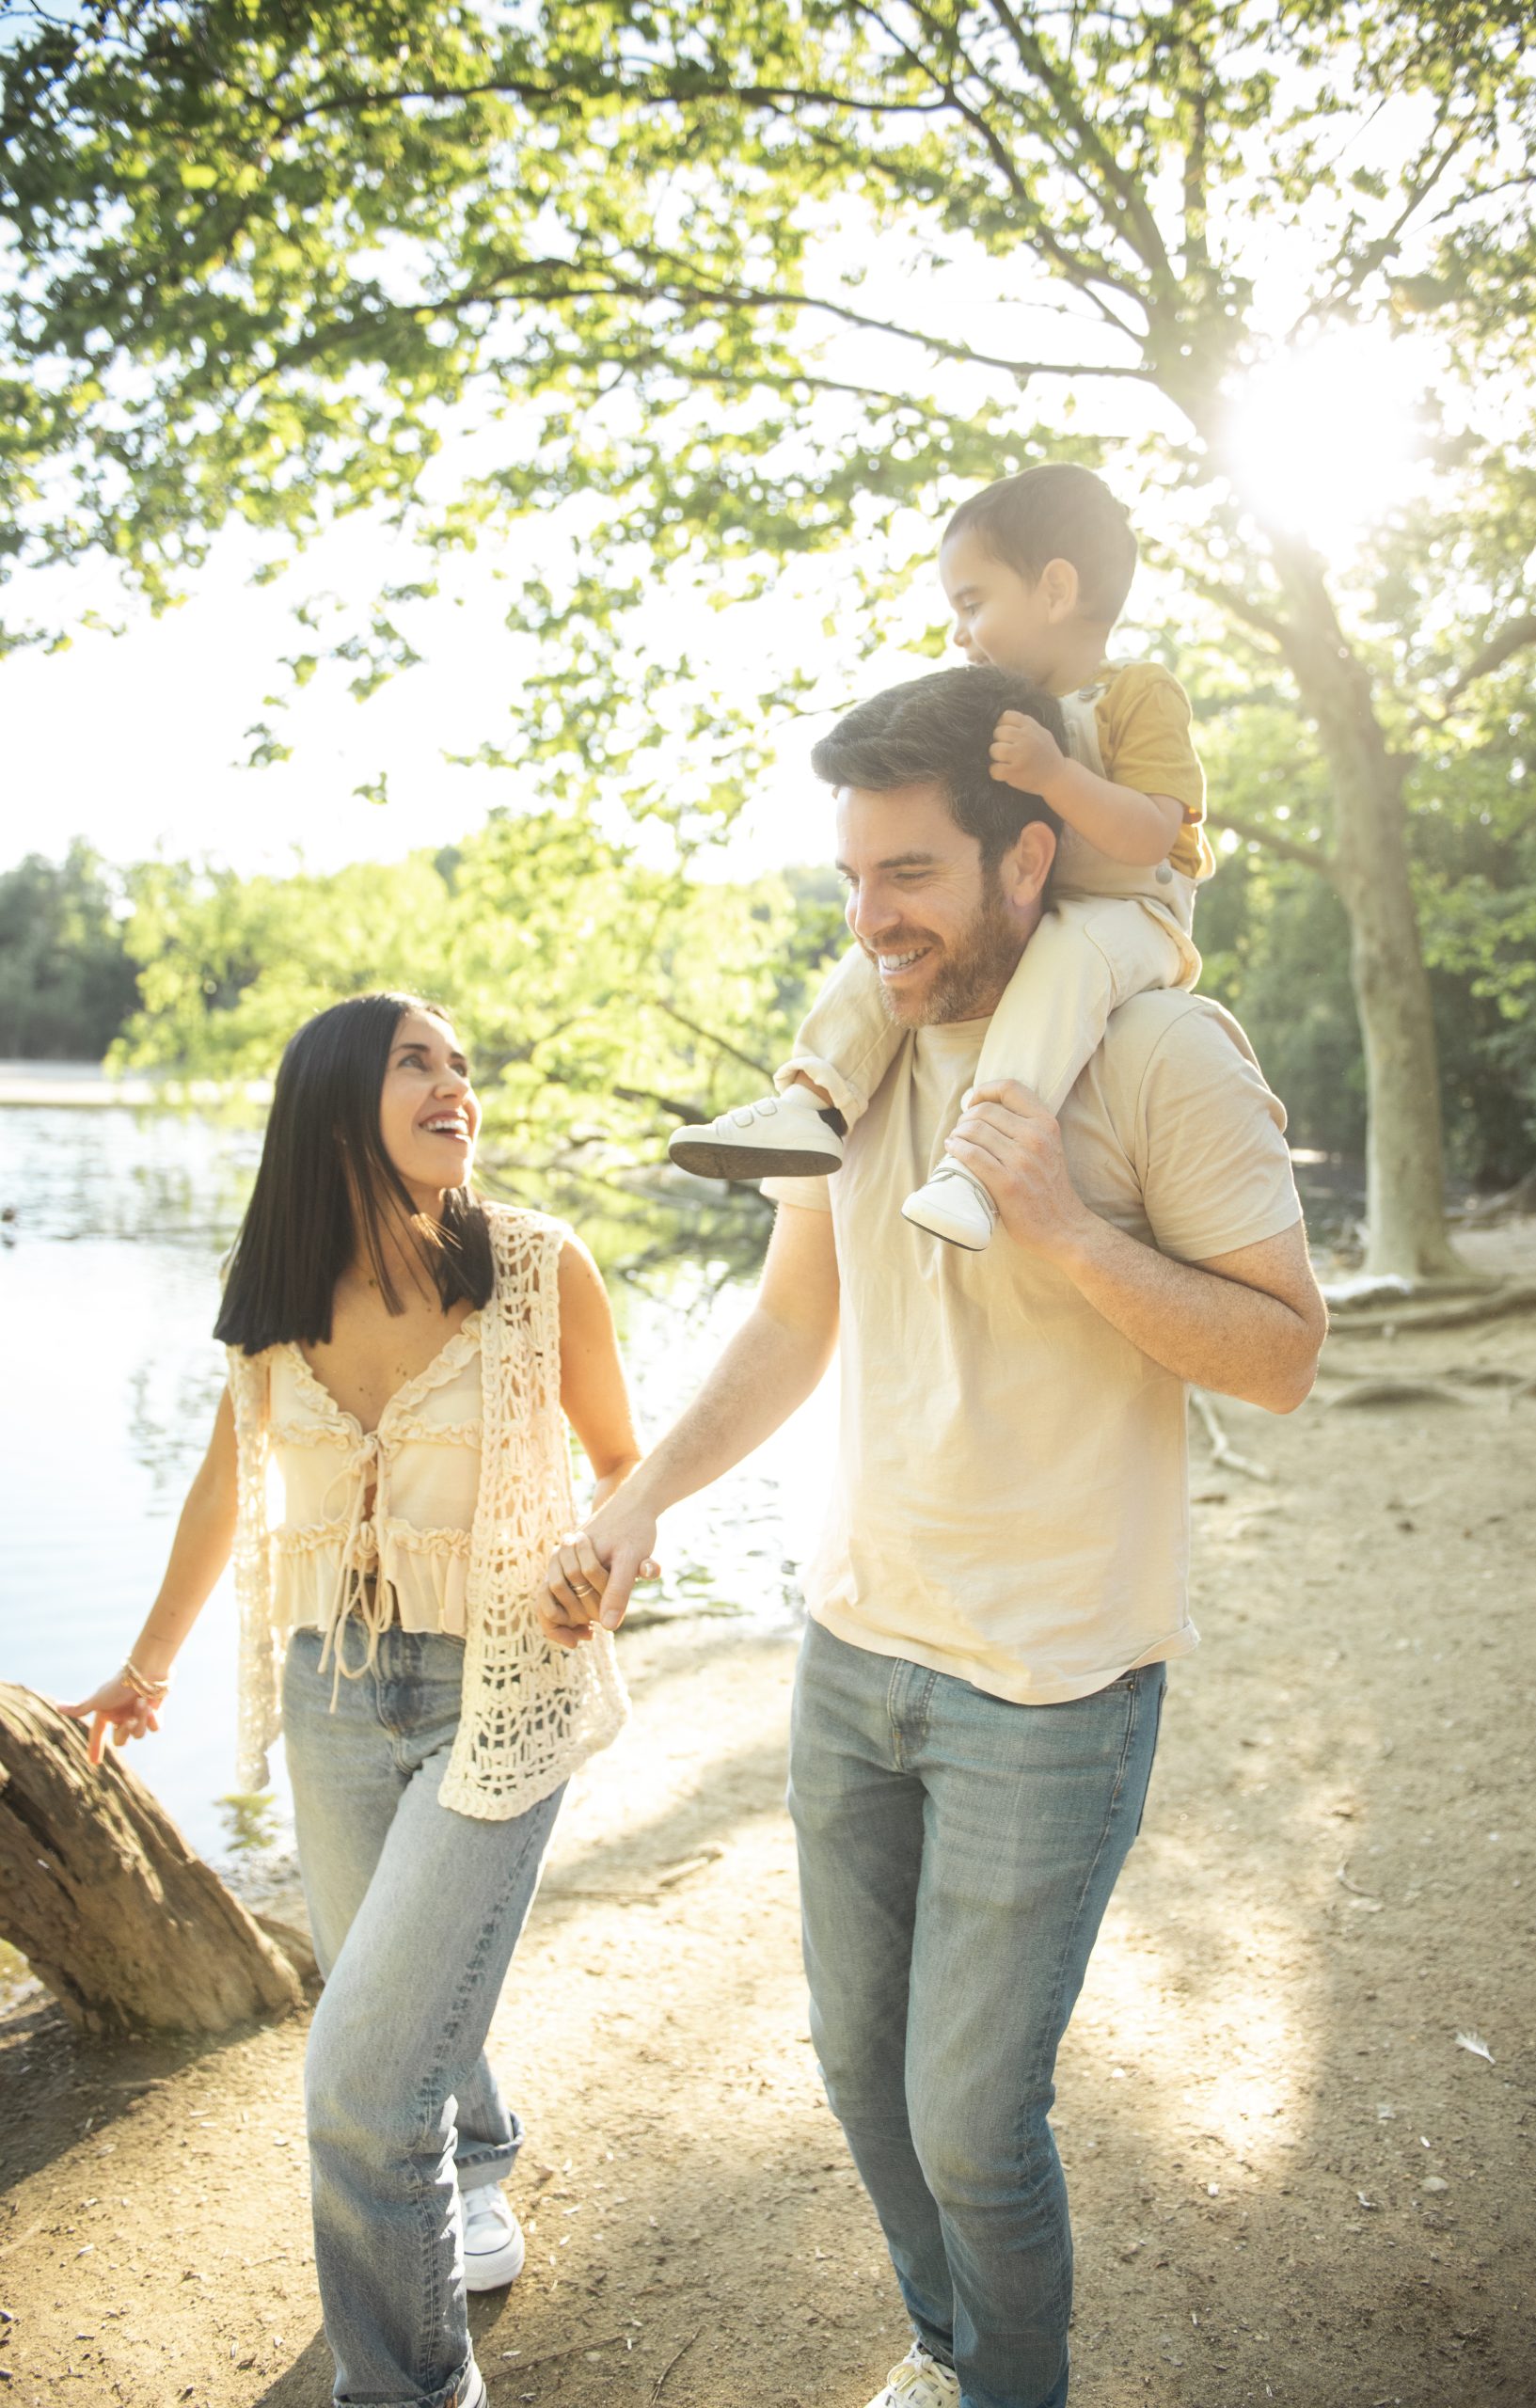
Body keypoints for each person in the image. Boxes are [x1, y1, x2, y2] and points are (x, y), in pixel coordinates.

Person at [543, 669, 1325, 2408]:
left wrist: (1064, 1232)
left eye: (907, 875)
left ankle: (1007, 2388)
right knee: (857, 2070)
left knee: (971, 2122)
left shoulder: (1161, 1053)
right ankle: (944, 2348)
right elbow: (789, 1323)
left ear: (1027, 860)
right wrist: (637, 1497)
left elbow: (1282, 1354)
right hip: (852, 1652)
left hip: (1051, 1689)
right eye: (851, 877)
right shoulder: (858, 1067)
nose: (868, 919)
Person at [66, 990, 647, 2408]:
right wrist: (146, 1666)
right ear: (335, 1104)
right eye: (415, 1063)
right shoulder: (275, 1291)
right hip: (328, 1689)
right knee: (390, 1981)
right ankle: (480, 2152)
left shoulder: (536, 1266)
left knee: (362, 2080)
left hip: (499, 1685)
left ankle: (406, 2386)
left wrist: (602, 1565)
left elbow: (626, 1468)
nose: (457, 1085)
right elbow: (227, 1485)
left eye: (462, 1065)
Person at [668, 461, 1211, 1253]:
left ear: (1055, 591)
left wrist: (1054, 775)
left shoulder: (1137, 693)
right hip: (1039, 898)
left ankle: (979, 1167)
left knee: (1066, 965)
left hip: (1132, 913)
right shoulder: (999, 712)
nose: (959, 634)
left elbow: (1149, 836)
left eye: (972, 604)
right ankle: (815, 1100)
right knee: (888, 934)